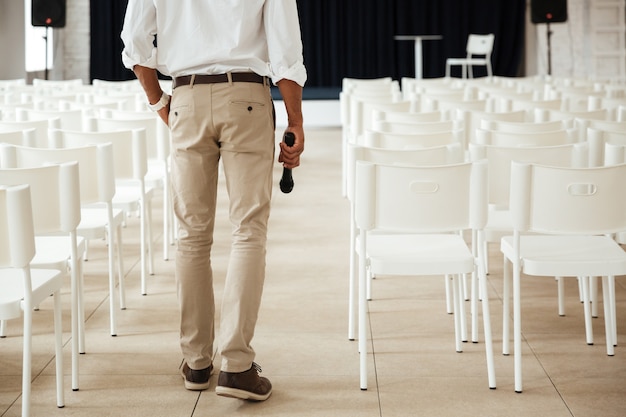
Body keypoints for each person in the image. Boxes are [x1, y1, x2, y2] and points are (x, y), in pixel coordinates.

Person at [120, 0, 306, 402]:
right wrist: (295, 121)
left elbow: (135, 42)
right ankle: (237, 367)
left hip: (185, 96)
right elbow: (285, 51)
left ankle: (197, 362)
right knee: (248, 232)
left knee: (191, 236)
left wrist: (159, 103)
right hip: (247, 98)